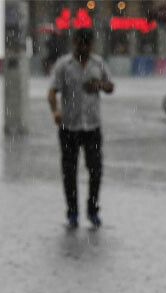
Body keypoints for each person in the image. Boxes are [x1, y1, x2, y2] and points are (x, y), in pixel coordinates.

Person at [48, 28, 114, 228]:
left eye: (87, 44)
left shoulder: (99, 63)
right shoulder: (63, 65)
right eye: (80, 44)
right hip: (69, 127)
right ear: (74, 43)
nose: (83, 48)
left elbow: (111, 87)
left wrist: (101, 85)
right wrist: (55, 111)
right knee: (70, 172)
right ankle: (72, 212)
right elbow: (52, 92)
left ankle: (93, 209)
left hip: (92, 127)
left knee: (95, 170)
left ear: (92, 44)